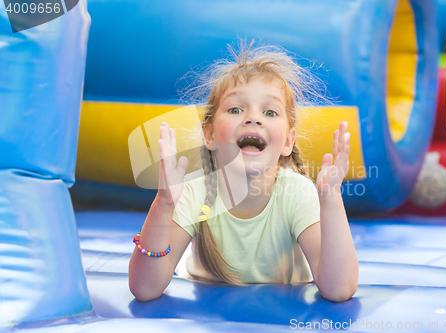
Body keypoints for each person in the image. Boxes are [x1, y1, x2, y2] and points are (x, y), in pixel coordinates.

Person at [129, 42, 358, 303]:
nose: (253, 117)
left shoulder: (296, 193)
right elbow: (144, 288)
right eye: (236, 109)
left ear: (287, 142)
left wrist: (331, 199)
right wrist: (164, 203)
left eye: (269, 112)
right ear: (210, 135)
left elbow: (340, 289)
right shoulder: (193, 193)